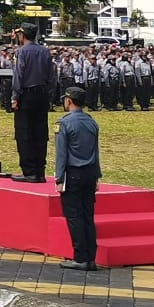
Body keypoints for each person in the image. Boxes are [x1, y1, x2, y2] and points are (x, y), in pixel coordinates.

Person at [55, 85, 102, 271]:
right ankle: (90, 257)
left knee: (74, 216)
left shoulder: (64, 123)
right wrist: (97, 175)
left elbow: (61, 154)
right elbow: (96, 151)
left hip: (73, 173)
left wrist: (59, 178)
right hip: (90, 172)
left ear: (68, 101)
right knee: (88, 215)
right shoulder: (92, 122)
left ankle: (80, 256)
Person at [9, 24, 53, 182]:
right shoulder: (45, 51)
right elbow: (52, 76)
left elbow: (18, 75)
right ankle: (40, 171)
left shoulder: (22, 52)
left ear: (23, 35)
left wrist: (15, 97)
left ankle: (29, 171)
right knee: (41, 133)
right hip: (42, 93)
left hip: (26, 94)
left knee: (24, 132)